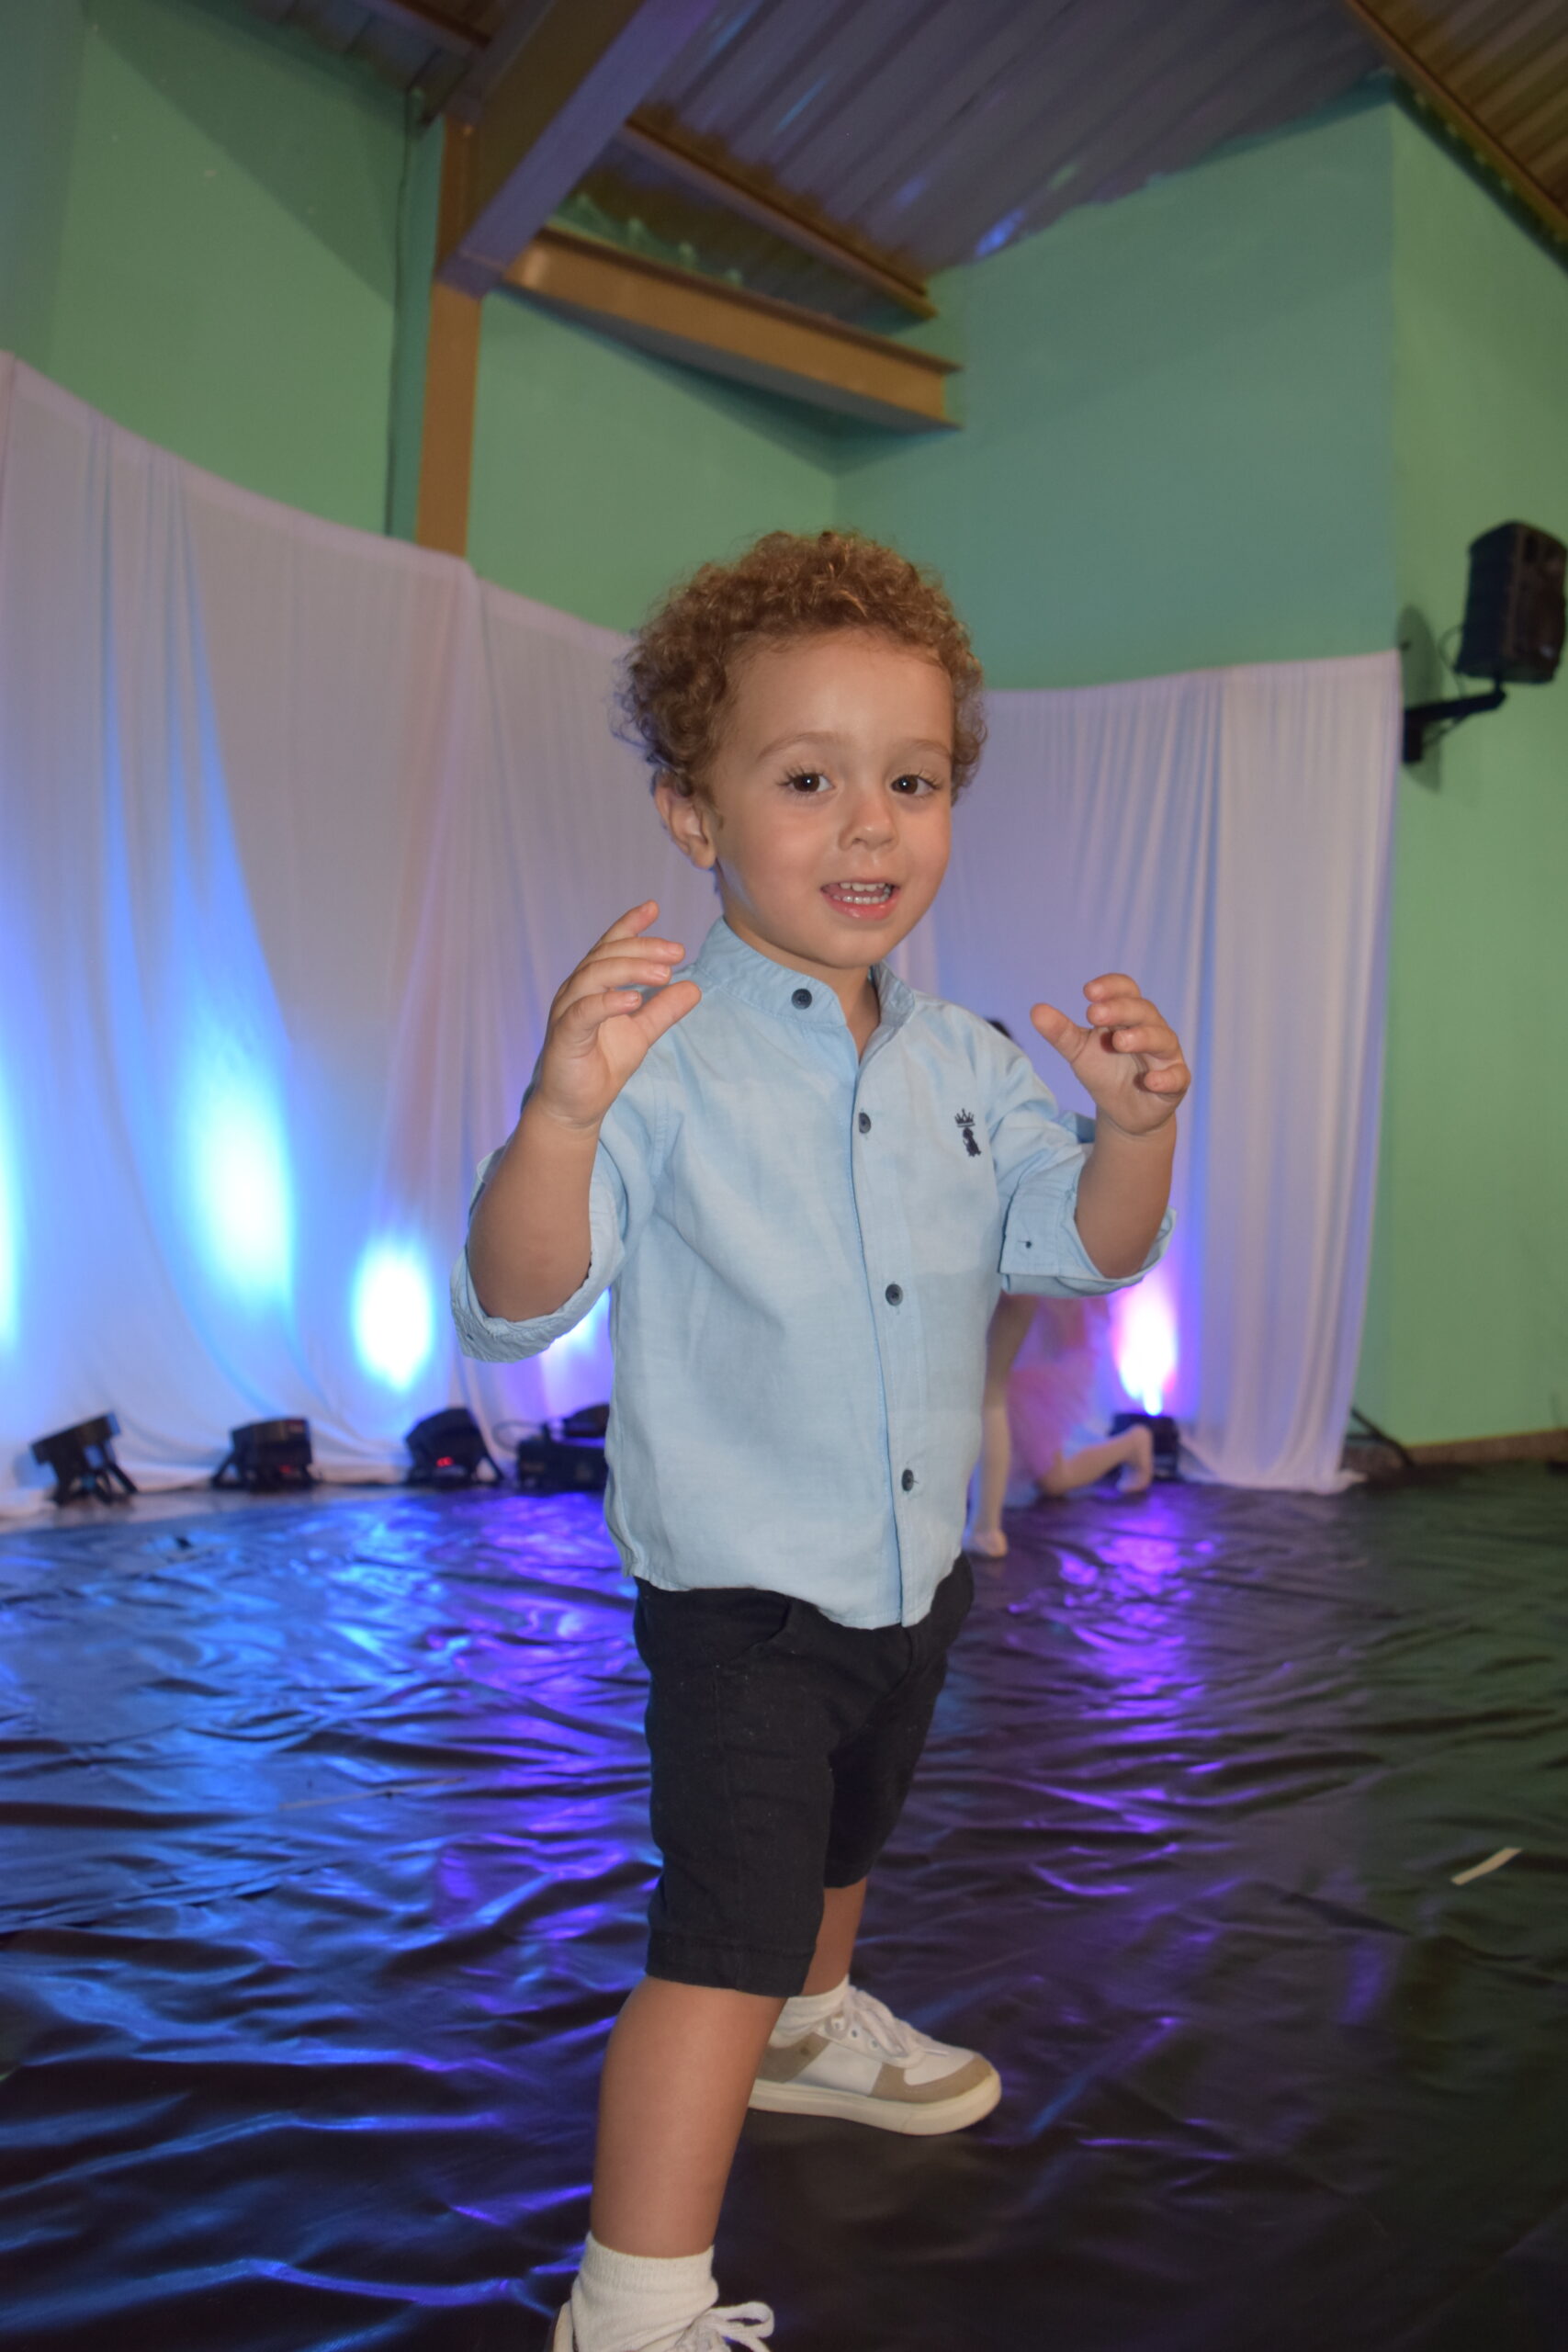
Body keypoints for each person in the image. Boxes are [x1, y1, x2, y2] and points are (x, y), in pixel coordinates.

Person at [453, 530, 1190, 2352]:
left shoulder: (970, 1063)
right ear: (691, 812)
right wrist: (558, 1120)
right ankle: (630, 2302)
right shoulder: (658, 1057)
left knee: (848, 1837)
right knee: (722, 1931)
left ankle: (813, 2023)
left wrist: (1134, 1131)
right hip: (740, 1598)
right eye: (806, 780)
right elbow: (514, 1307)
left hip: (911, 1570)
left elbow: (1085, 1245)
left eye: (910, 781)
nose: (868, 824)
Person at [967, 1290, 1154, 1559]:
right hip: (1016, 1363)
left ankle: (1132, 1443)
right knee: (1049, 1477)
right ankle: (984, 1527)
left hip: (1027, 1374)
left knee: (1054, 1479)